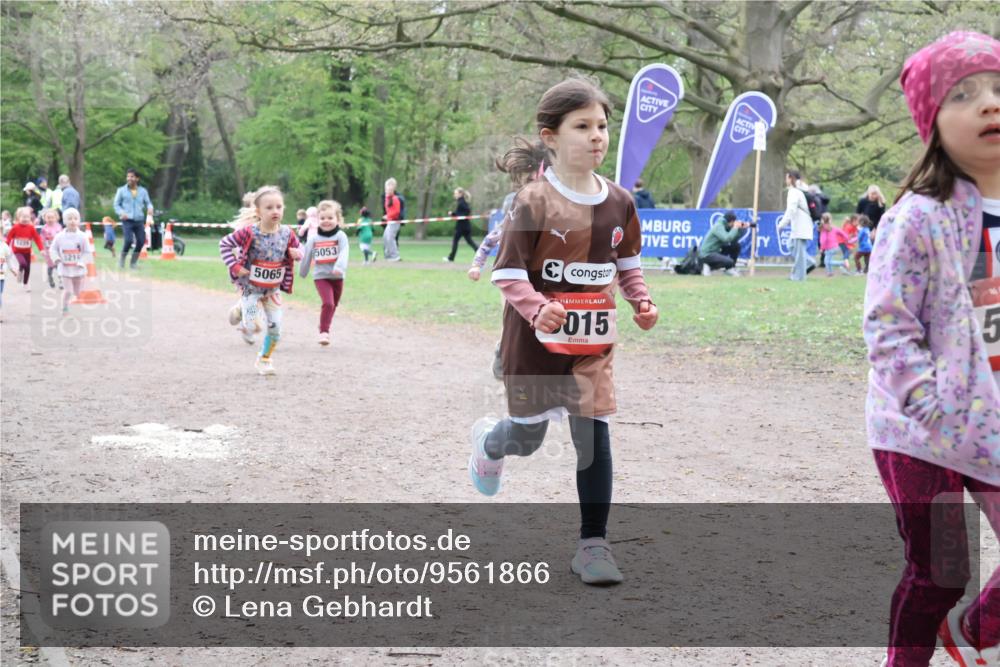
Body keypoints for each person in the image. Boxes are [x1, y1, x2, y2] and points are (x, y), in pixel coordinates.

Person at [467, 78, 658, 586]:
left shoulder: (620, 201)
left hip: (590, 348)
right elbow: (507, 273)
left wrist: (640, 299)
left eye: (602, 126)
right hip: (533, 342)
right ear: (550, 136)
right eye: (582, 127)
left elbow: (627, 263)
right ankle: (490, 442)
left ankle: (593, 545)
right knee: (527, 439)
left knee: (592, 436)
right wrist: (538, 308)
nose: (597, 136)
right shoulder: (533, 201)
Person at [862, 31, 1000, 667]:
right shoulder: (917, 218)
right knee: (942, 569)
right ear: (931, 122)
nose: (989, 105)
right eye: (964, 95)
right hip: (919, 429)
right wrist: (926, 401)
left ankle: (972, 634)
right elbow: (888, 327)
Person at [219, 185, 301, 375]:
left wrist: (298, 253)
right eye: (269, 207)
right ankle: (240, 309)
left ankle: (264, 359)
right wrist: (235, 266)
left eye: (279, 207)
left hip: (273, 290)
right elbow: (224, 244)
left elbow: (301, 249)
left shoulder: (287, 233)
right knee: (251, 325)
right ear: (258, 211)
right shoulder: (249, 232)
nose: (275, 211)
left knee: (276, 329)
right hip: (251, 288)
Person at [299, 200, 350, 346]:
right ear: (317, 220)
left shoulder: (341, 236)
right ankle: (324, 332)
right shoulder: (314, 238)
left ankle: (323, 324)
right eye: (322, 218)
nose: (326, 221)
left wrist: (339, 267)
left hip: (337, 276)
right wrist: (303, 271)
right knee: (328, 303)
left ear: (337, 219)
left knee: (334, 304)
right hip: (321, 277)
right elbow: (307, 254)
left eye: (330, 218)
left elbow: (344, 252)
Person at [49, 208, 91, 314]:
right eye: (69, 218)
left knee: (78, 292)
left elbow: (87, 251)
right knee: (68, 290)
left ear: (78, 221)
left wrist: (82, 262)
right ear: (64, 221)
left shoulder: (83, 236)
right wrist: (57, 259)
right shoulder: (59, 236)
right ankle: (64, 307)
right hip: (65, 268)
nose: (72, 221)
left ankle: (73, 298)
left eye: (75, 218)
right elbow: (52, 249)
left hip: (79, 269)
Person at [776, 170, 817, 281]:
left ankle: (798, 277)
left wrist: (781, 225)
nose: (785, 180)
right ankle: (809, 262)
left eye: (786, 177)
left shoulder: (794, 192)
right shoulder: (802, 190)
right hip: (802, 225)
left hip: (800, 225)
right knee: (792, 246)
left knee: (799, 253)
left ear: (790, 178)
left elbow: (791, 210)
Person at [113, 168, 154, 269]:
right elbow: (116, 205)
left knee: (141, 241)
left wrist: (150, 208)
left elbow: (148, 203)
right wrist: (121, 212)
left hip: (139, 220)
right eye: (128, 176)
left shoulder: (143, 191)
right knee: (128, 240)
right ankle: (122, 259)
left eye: (132, 176)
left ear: (137, 178)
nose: (129, 178)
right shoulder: (121, 191)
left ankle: (133, 262)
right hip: (127, 220)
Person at [5, 207, 44, 292]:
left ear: (30, 218)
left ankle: (25, 284)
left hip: (27, 251)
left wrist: (41, 249)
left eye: (27, 217)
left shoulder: (31, 228)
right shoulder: (15, 228)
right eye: (23, 217)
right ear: (18, 218)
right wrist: (5, 248)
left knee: (27, 268)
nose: (25, 219)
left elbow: (37, 239)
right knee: (23, 263)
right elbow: (9, 238)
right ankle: (20, 271)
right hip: (17, 251)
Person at [698, 211, 747, 276]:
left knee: (736, 246)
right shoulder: (719, 226)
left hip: (716, 250)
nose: (734, 224)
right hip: (707, 254)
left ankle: (730, 268)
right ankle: (707, 265)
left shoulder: (726, 226)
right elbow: (726, 239)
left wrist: (740, 230)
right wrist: (735, 228)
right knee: (729, 261)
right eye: (733, 223)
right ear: (731, 221)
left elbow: (733, 240)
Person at [444, 187, 477, 262]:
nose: (454, 195)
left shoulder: (461, 202)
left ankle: (451, 258)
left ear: (460, 194)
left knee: (455, 241)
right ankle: (480, 254)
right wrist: (453, 214)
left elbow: (465, 212)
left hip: (461, 227)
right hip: (466, 226)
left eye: (455, 193)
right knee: (470, 241)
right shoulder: (462, 202)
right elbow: (461, 213)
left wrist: (452, 214)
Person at [39, 209, 63, 289]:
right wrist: (42, 249)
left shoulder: (59, 227)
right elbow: (41, 240)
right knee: (51, 266)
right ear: (44, 219)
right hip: (48, 251)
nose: (50, 219)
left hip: (58, 251)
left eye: (52, 217)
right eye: (48, 217)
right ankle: (50, 277)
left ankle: (61, 281)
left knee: (59, 265)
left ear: (56, 218)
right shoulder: (44, 229)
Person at [381, 177, 403, 261]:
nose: (387, 190)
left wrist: (388, 216)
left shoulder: (395, 199)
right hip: (390, 222)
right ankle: (388, 256)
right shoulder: (387, 199)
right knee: (385, 237)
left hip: (394, 222)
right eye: (386, 188)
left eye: (389, 188)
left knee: (390, 238)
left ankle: (395, 256)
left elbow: (397, 212)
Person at [0, 238, 16, 318]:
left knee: (0, 293)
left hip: (1, 275)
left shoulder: (4, 246)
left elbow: (9, 259)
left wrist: (12, 270)